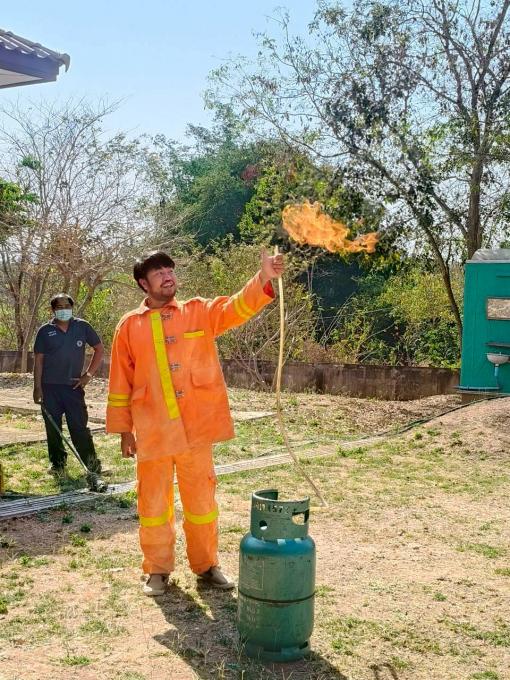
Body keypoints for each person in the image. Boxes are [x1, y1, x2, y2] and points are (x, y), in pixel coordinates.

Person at [106, 249, 284, 596]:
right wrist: (125, 431)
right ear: (143, 283)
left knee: (202, 503)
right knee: (153, 505)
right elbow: (120, 382)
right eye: (158, 273)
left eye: (169, 270)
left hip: (195, 430)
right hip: (153, 431)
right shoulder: (129, 326)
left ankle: (206, 566)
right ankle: (157, 570)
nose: (167, 276)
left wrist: (263, 277)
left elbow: (235, 307)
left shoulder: (198, 312)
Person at [33, 293, 104, 476]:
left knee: (79, 427)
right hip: (49, 387)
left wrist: (88, 375)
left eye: (67, 306)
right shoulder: (44, 331)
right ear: (53, 310)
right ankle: (57, 465)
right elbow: (38, 360)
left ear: (72, 308)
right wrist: (37, 387)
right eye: (59, 307)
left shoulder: (82, 326)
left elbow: (99, 349)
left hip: (74, 387)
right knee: (53, 428)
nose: (63, 310)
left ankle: (92, 465)